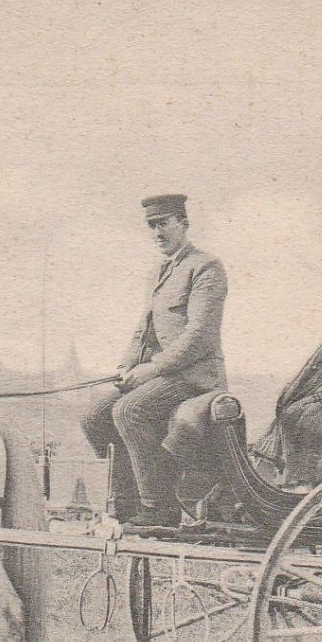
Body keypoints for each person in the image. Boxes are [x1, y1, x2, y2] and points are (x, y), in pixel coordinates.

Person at [80, 194, 228, 527]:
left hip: (194, 375)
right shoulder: (160, 271)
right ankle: (127, 501)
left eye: (163, 223)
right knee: (95, 414)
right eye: (151, 225)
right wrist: (126, 365)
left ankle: (159, 507)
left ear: (184, 224)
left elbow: (200, 336)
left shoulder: (206, 267)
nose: (157, 232)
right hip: (160, 374)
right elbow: (143, 327)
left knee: (130, 410)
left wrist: (151, 370)